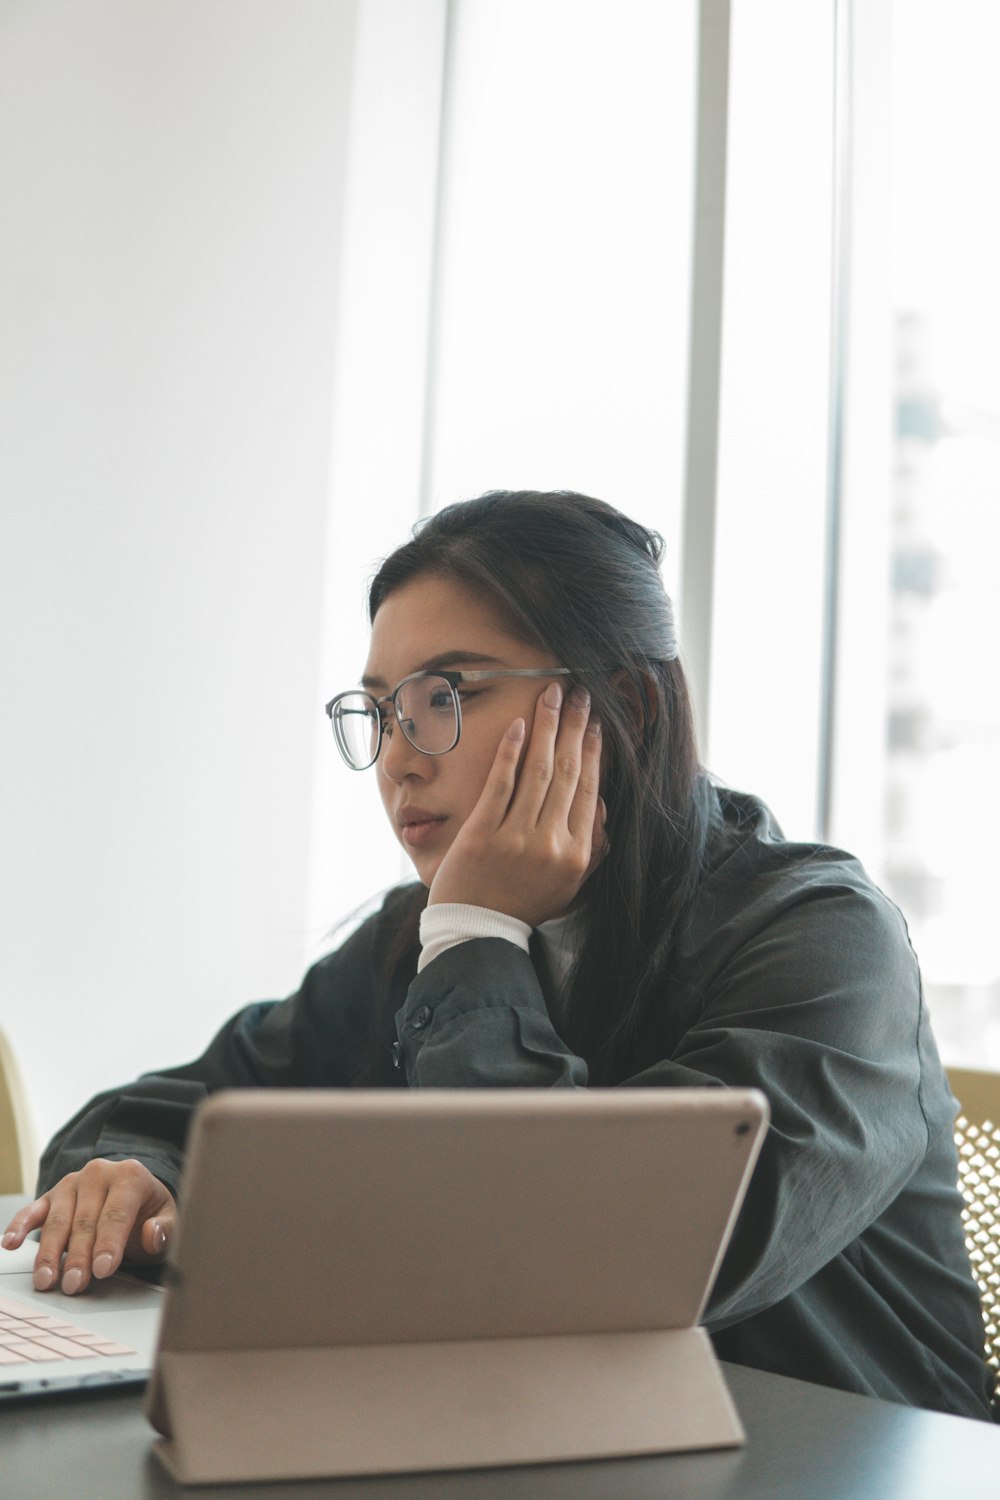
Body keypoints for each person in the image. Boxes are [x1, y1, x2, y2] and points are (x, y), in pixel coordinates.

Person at [2, 490, 994, 1420]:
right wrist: (126, 1173)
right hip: (553, 1436)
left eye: (448, 695)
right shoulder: (420, 936)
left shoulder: (821, 938)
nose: (398, 756)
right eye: (382, 710)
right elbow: (165, 1111)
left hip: (835, 1460)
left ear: (628, 710)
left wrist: (477, 938)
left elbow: (584, 1271)